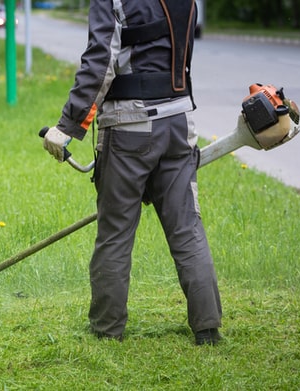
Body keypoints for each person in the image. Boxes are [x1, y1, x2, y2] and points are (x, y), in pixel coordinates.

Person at [42, 0, 223, 346]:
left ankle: (107, 330)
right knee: (186, 227)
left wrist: (67, 126)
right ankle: (208, 328)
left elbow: (100, 60)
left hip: (130, 128)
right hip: (180, 123)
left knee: (116, 231)